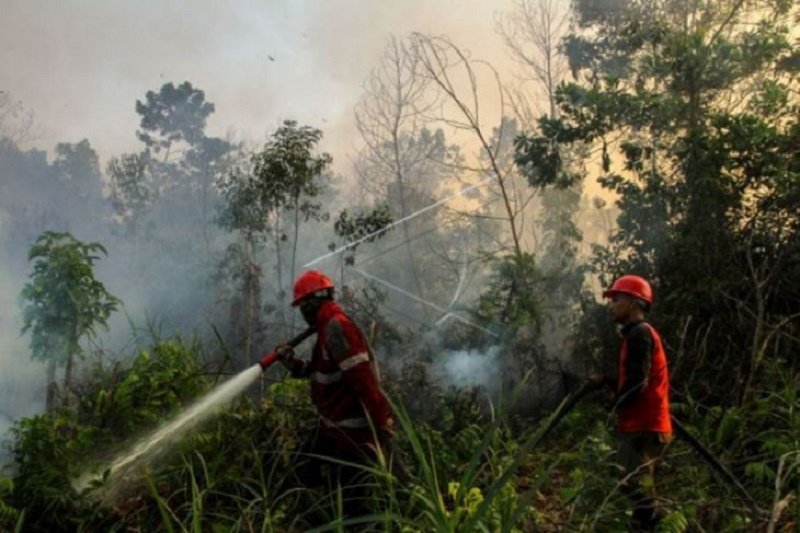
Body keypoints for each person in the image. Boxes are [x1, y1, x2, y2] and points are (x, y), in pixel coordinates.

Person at [271, 269, 394, 519]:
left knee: (355, 508)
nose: (302, 313)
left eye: (302, 306)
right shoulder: (327, 327)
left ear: (312, 303)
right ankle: (289, 517)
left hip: (353, 438)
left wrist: (382, 422)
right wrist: (292, 363)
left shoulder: (337, 328)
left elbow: (364, 381)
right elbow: (322, 373)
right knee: (303, 474)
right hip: (331, 429)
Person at [597, 274, 673, 532]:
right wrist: (608, 382)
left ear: (633, 302)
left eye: (617, 299)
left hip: (644, 427)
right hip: (644, 425)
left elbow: (637, 384)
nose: (613, 304)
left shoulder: (640, 333)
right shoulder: (637, 334)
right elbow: (637, 378)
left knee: (640, 496)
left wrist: (615, 405)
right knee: (638, 492)